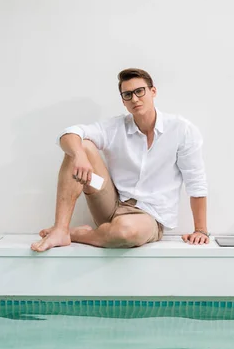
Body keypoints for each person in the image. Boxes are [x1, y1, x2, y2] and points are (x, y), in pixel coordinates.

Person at [31, 68, 209, 252]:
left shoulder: (182, 130)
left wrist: (201, 230)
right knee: (80, 145)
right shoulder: (115, 127)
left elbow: (196, 182)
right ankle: (60, 229)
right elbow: (69, 133)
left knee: (126, 231)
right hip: (111, 204)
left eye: (140, 91)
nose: (135, 99)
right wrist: (79, 155)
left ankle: (76, 234)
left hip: (149, 217)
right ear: (123, 101)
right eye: (127, 94)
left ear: (153, 91)